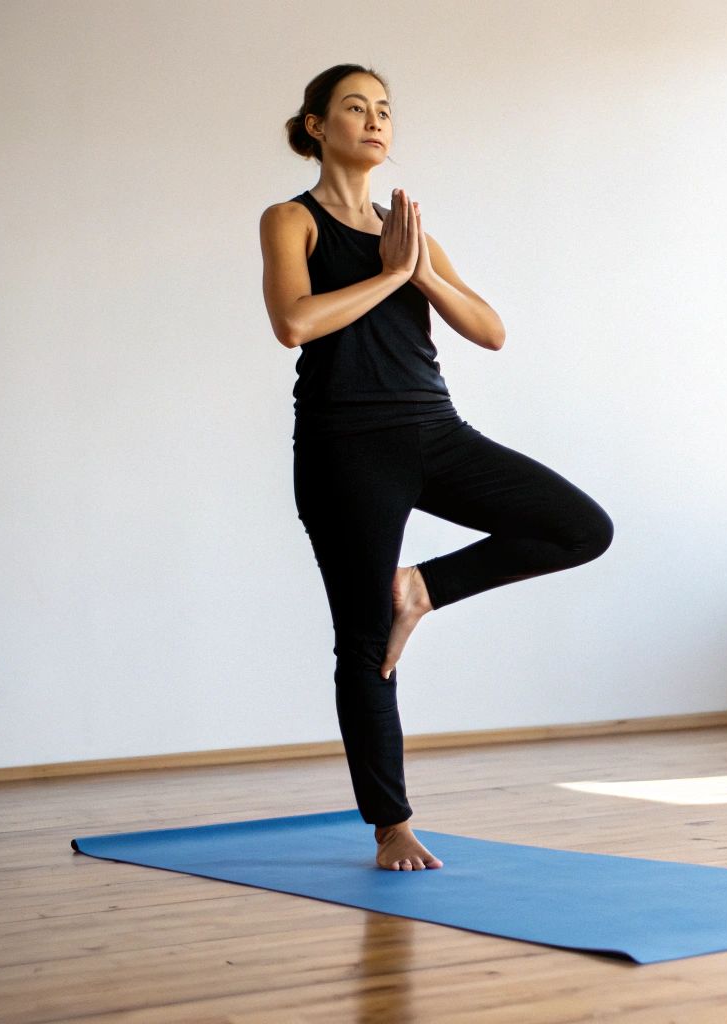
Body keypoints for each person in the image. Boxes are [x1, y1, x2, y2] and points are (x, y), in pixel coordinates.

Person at [259, 65, 614, 872]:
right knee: (361, 641)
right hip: (345, 448)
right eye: (356, 108)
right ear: (315, 126)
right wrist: (388, 273)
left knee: (580, 527)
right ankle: (392, 825)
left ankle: (419, 589)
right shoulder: (291, 220)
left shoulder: (408, 229)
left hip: (434, 429)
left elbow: (489, 330)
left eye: (384, 109)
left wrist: (417, 268)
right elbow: (293, 323)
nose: (375, 121)